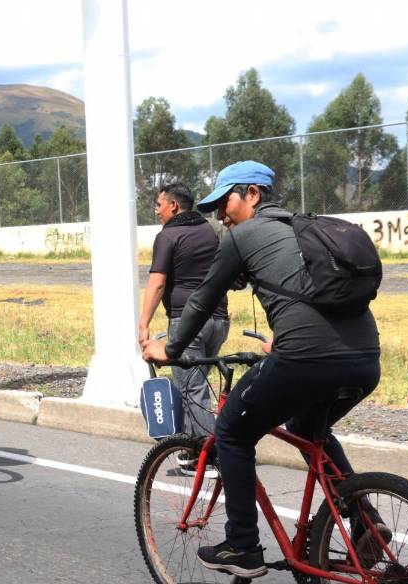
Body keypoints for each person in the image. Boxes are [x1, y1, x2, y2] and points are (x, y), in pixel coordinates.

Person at [141, 161, 381, 578]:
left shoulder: (246, 235)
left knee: (231, 431)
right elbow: (309, 294)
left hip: (304, 359)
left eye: (225, 203)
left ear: (252, 194)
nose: (220, 215)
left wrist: (171, 347)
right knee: (310, 430)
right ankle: (366, 522)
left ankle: (242, 546)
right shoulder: (306, 230)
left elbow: (201, 299)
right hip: (364, 360)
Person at [138, 183, 230, 474]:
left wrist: (143, 323)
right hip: (219, 320)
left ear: (173, 206)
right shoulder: (210, 230)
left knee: (192, 388)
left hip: (187, 322)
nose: (156, 210)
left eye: (158, 204)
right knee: (198, 384)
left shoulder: (168, 236)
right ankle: (201, 448)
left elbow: (157, 282)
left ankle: (206, 455)